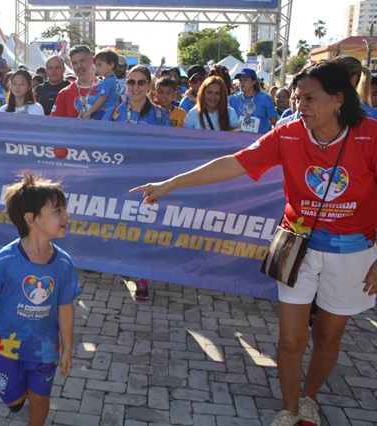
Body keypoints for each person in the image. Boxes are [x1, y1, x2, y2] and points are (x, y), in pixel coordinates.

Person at [130, 60, 377, 426]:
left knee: (326, 336)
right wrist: (167, 185)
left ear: (338, 98)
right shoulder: (288, 133)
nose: (299, 106)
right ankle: (290, 407)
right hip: (297, 249)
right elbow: (232, 163)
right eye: (296, 98)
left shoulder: (370, 135)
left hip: (354, 253)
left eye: (309, 98)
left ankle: (310, 397)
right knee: (291, 340)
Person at [0, 171, 80, 425]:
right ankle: (17, 395)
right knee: (12, 399)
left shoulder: (64, 264)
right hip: (6, 346)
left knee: (40, 399)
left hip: (44, 349)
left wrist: (67, 347)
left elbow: (66, 307)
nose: (66, 216)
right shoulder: (6, 258)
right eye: (58, 211)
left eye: (64, 210)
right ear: (31, 219)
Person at [102, 65, 169, 126]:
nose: (136, 87)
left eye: (141, 83)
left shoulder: (161, 116)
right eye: (131, 82)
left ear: (149, 86)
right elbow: (102, 137)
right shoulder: (113, 113)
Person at [51, 45, 99, 118]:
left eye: (82, 61)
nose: (79, 66)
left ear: (92, 60)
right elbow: (55, 124)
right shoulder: (64, 93)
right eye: (74, 63)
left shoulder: (109, 88)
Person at [229, 68, 277, 134]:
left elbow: (275, 123)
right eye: (240, 80)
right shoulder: (232, 99)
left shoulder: (265, 98)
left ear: (253, 82)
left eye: (245, 80)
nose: (242, 83)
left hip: (260, 141)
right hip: (239, 142)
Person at [80, 48, 121, 120]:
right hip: (113, 113)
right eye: (96, 66)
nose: (97, 68)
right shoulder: (115, 80)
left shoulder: (106, 82)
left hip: (103, 113)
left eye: (99, 65)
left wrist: (89, 112)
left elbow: (102, 99)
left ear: (111, 65)